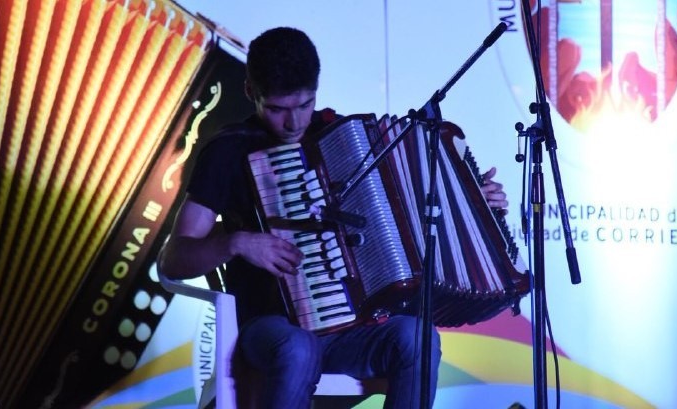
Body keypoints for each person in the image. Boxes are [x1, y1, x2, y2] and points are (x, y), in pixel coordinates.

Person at [159, 27, 509, 409]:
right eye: (277, 109)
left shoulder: (343, 140)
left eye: (305, 104)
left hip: (349, 331)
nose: (294, 123)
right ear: (250, 92)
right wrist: (237, 243)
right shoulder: (228, 151)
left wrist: (473, 202)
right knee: (299, 347)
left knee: (418, 338)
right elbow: (174, 259)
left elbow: (410, 206)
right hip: (271, 330)